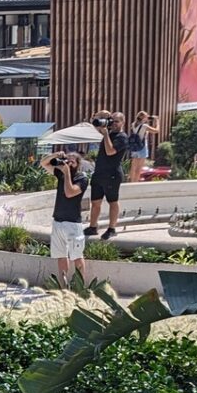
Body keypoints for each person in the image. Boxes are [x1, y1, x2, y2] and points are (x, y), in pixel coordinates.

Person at [47, 149, 87, 284]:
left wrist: (67, 174)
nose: (69, 164)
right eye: (67, 161)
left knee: (76, 256)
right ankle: (63, 287)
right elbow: (43, 163)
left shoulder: (82, 178)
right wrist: (56, 156)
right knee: (61, 256)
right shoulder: (61, 174)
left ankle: (80, 288)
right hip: (58, 221)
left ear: (78, 164)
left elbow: (70, 192)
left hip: (72, 223)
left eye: (72, 162)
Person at [86, 111, 128, 238]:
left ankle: (112, 228)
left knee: (112, 201)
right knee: (95, 202)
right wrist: (100, 115)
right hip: (99, 173)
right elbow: (94, 123)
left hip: (112, 175)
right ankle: (93, 226)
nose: (113, 124)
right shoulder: (108, 133)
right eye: (112, 121)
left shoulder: (122, 137)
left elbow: (110, 151)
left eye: (116, 121)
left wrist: (105, 134)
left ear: (122, 122)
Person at [126, 110, 158, 181]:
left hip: (134, 147)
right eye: (146, 117)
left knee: (133, 167)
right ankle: (135, 183)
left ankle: (131, 182)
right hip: (142, 147)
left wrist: (146, 120)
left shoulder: (133, 124)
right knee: (138, 168)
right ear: (143, 117)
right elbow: (156, 130)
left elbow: (140, 129)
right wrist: (157, 121)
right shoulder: (144, 126)